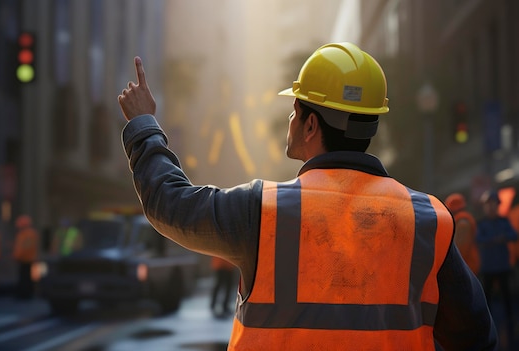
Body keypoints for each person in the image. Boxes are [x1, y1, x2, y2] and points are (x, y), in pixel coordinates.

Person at [117, 43, 497, 350]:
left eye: (294, 110)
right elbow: (476, 336)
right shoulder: (428, 219)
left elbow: (170, 204)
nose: (290, 119)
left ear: (311, 124)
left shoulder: (263, 211)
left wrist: (144, 125)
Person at [476, 190, 518, 339]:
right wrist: (494, 240)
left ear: (497, 205)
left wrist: (504, 237)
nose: (491, 207)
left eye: (494, 204)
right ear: (485, 207)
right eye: (489, 204)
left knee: (508, 298)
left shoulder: (504, 221)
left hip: (503, 266)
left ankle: (511, 324)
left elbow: (514, 235)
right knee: (486, 298)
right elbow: (478, 240)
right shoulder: (481, 224)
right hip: (488, 268)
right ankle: (486, 325)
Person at [444, 192, 480, 274]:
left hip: (467, 265)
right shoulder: (461, 220)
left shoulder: (462, 223)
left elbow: (461, 248)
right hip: (467, 264)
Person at [12, 214, 39, 299]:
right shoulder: (23, 234)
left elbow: (26, 247)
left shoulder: (29, 234)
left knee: (26, 278)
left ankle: (26, 294)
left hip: (27, 259)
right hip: (24, 259)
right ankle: (25, 294)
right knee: (24, 277)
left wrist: (18, 256)